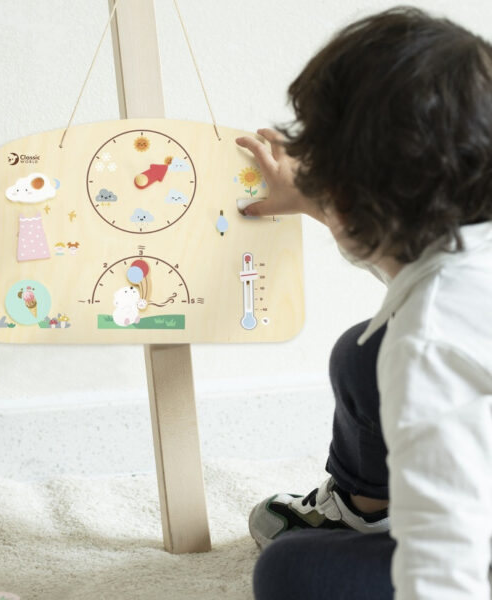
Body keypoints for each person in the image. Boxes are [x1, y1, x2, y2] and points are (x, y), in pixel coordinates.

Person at [235, 7, 492, 599]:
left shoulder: (429, 344)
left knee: (290, 571)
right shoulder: (461, 256)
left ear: (347, 203)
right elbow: (419, 274)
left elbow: (443, 572)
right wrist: (320, 201)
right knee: (363, 350)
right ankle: (363, 511)